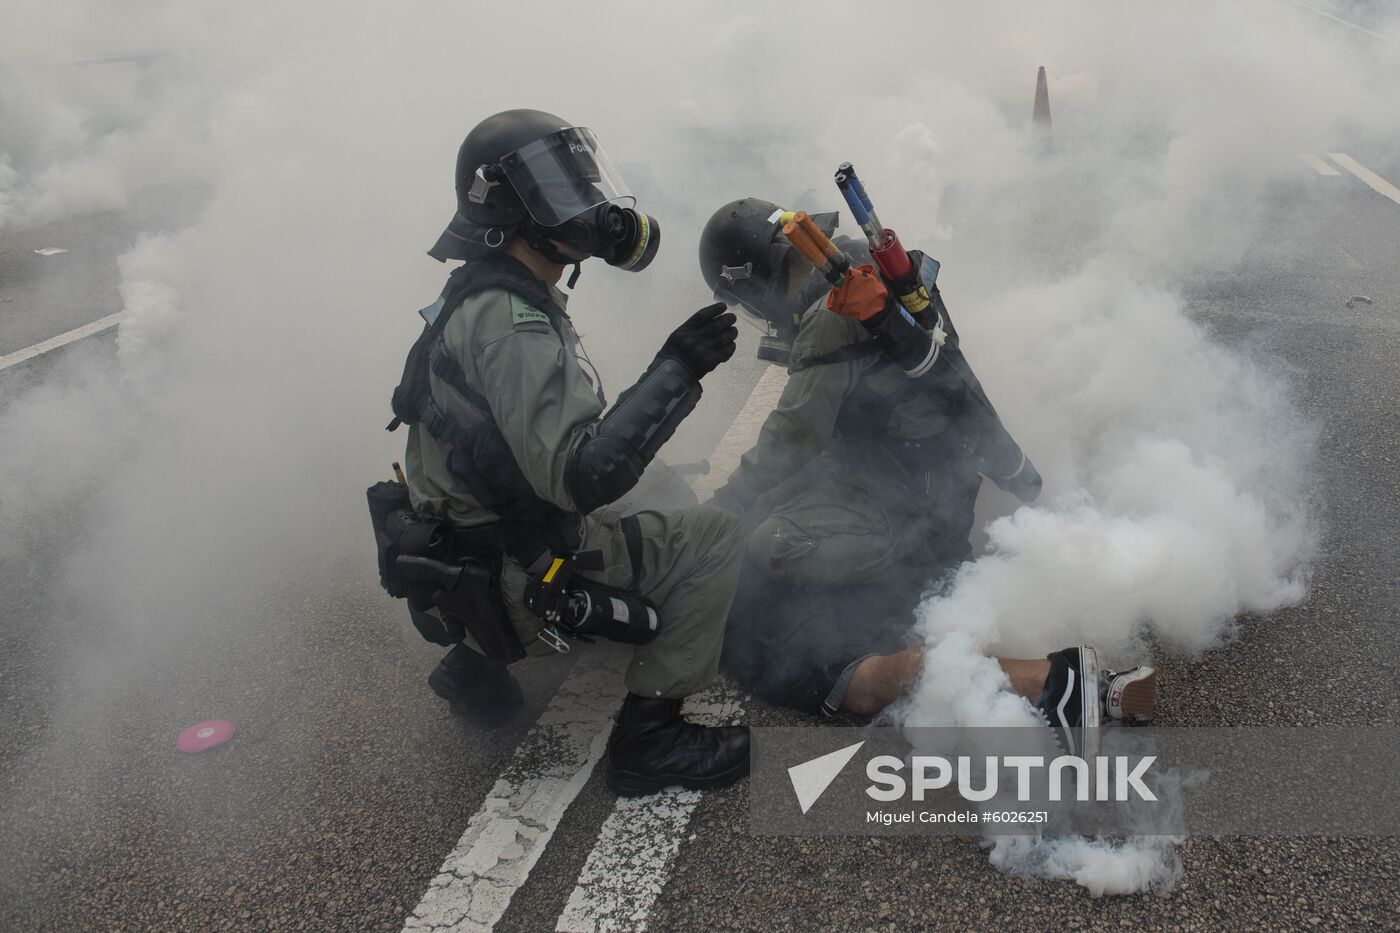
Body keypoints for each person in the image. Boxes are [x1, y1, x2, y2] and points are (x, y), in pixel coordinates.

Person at [381, 110, 749, 797]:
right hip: (519, 572)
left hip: (463, 559)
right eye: (558, 185)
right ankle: (652, 739)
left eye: (579, 177)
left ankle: (478, 665)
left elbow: (493, 457)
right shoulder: (514, 323)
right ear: (510, 207)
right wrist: (678, 367)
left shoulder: (476, 292)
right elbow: (582, 476)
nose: (585, 203)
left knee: (662, 486)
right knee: (715, 535)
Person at [697, 198, 1155, 744]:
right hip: (935, 476)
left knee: (769, 542)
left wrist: (719, 512)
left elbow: (790, 439)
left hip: (913, 499)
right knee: (771, 519)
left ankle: (921, 577)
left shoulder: (832, 312)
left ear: (754, 282)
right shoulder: (869, 272)